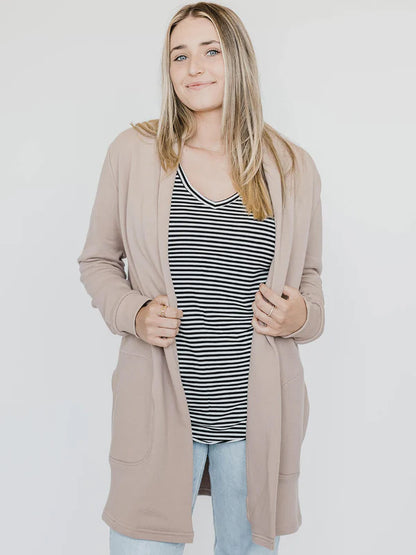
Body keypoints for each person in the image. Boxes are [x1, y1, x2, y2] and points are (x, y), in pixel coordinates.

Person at [77, 2, 325, 554]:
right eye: (179, 55)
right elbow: (97, 261)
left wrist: (301, 315)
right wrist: (133, 313)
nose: (195, 68)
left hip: (256, 419)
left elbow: (310, 279)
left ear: (238, 58)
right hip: (160, 409)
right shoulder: (134, 152)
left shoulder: (291, 165)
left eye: (211, 51)